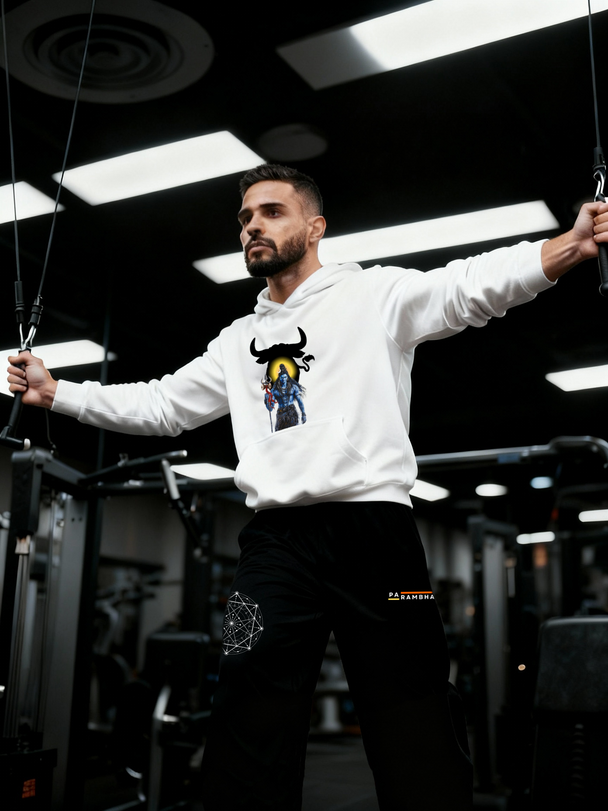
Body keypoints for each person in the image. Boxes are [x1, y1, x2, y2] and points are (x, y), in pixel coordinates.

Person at [7, 164, 608, 811]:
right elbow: (161, 405)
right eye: (244, 218)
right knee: (245, 691)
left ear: (314, 227)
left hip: (379, 535)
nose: (252, 227)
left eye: (270, 212)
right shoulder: (238, 341)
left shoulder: (374, 296)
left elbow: (467, 288)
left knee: (414, 701)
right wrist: (56, 392)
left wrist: (568, 247)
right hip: (275, 548)